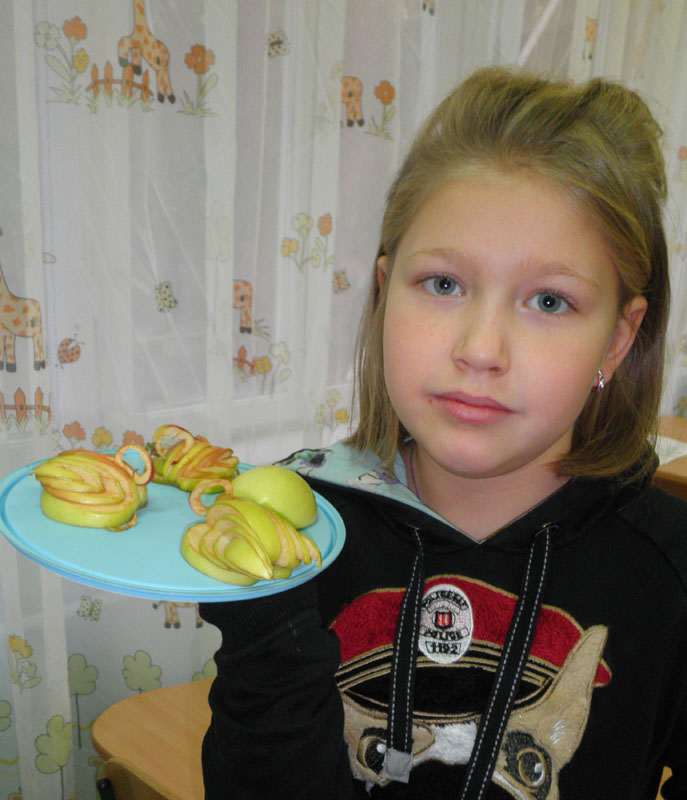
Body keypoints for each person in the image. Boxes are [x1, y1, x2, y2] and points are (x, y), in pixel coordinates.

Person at [199, 66, 687, 799]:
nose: (480, 349)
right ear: (384, 293)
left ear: (617, 341)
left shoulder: (670, 569)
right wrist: (267, 630)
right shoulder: (293, 531)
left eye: (548, 301)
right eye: (443, 284)